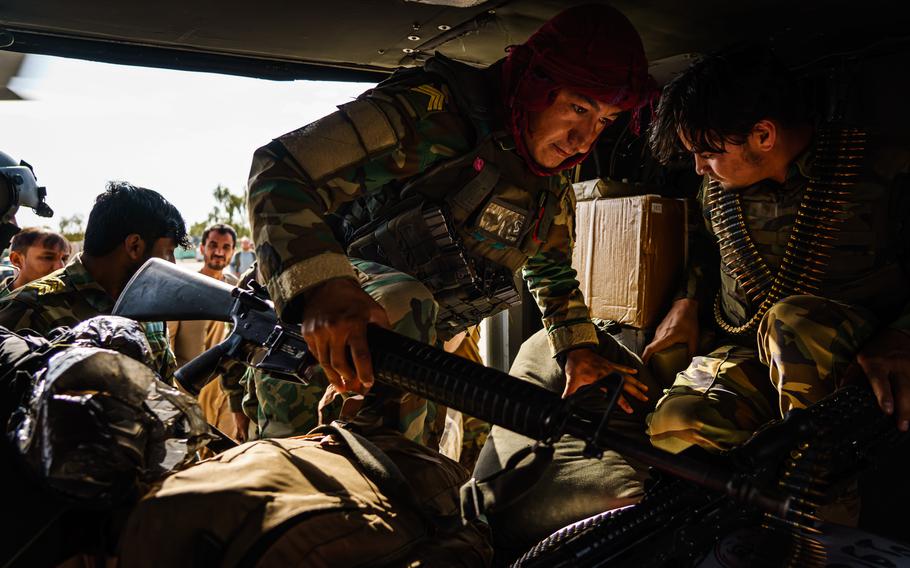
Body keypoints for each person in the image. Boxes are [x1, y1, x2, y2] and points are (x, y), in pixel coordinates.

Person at [246, 3, 656, 444]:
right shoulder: (432, 112)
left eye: (604, 122)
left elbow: (552, 270)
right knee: (290, 486)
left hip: (414, 357)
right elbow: (280, 169)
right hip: (314, 341)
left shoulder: (548, 181)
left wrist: (577, 349)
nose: (584, 140)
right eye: (578, 108)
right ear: (536, 83)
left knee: (426, 476)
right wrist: (323, 288)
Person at [643, 45, 910, 457]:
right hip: (746, 350)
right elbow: (705, 247)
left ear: (764, 135)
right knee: (677, 421)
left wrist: (899, 336)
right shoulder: (716, 190)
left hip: (849, 360)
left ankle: (817, 504)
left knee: (791, 322)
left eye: (708, 154)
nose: (698, 168)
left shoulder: (884, 171)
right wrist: (687, 300)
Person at [0, 181, 189, 380]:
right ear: (135, 246)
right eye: (168, 252)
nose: (172, 263)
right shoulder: (27, 310)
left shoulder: (148, 310)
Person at [167, 223, 242, 438]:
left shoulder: (237, 289)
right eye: (213, 245)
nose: (219, 251)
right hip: (188, 388)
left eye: (226, 247)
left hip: (224, 392)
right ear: (202, 248)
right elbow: (168, 342)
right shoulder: (186, 287)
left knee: (224, 456)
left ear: (233, 251)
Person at [1, 227, 70, 297]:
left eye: (64, 259)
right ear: (17, 260)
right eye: (48, 257)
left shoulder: (68, 298)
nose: (61, 267)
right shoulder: (3, 302)